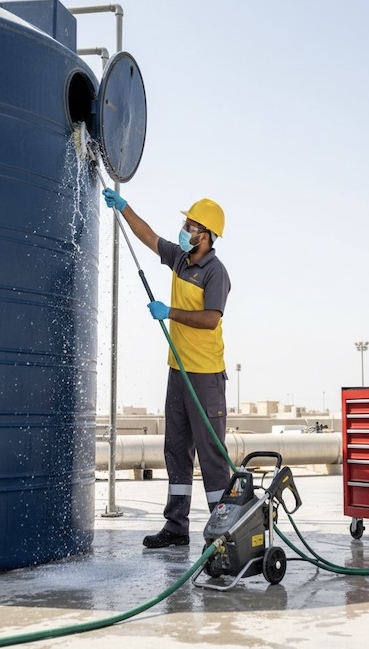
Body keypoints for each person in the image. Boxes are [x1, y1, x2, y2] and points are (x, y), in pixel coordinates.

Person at [102, 188, 232, 548]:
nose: (184, 229)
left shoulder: (215, 273)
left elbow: (210, 319)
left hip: (205, 375)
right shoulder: (180, 258)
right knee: (175, 449)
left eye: (190, 225)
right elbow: (149, 237)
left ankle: (222, 535)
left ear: (205, 235)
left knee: (211, 455)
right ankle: (176, 527)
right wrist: (125, 208)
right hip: (178, 370)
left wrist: (169, 312)